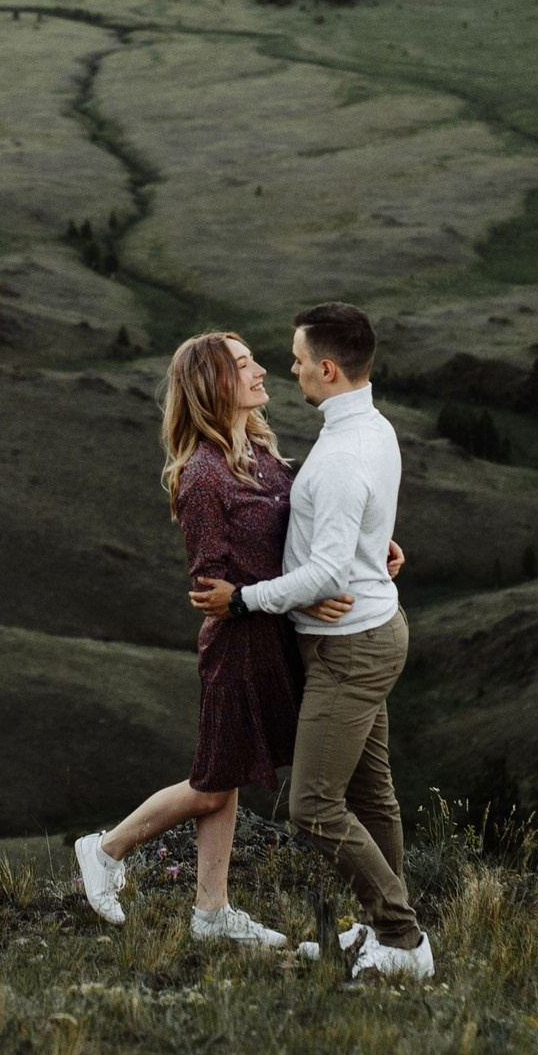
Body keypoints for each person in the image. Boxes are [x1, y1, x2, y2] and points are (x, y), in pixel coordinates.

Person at [73, 331, 399, 945]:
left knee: (228, 777)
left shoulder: (261, 450)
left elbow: (310, 522)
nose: (262, 370)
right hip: (238, 648)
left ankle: (211, 911)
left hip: (275, 636)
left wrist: (364, 548)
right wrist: (301, 590)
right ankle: (107, 849)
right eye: (244, 364)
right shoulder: (202, 475)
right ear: (214, 384)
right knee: (212, 783)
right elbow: (210, 585)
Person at [192, 301, 433, 981]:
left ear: (328, 368)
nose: (288, 368)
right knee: (373, 796)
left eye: (298, 359)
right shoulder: (371, 428)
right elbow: (348, 528)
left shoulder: (341, 457)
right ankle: (381, 929)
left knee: (314, 807)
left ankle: (403, 941)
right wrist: (370, 549)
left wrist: (242, 600)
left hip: (348, 648)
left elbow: (326, 573)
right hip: (369, 631)